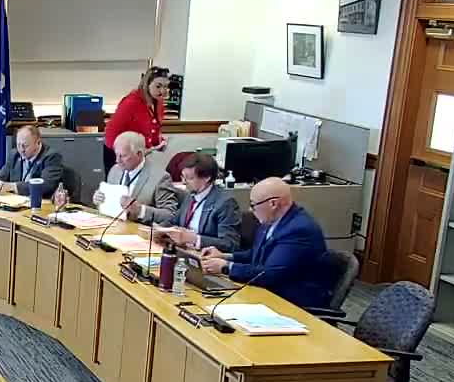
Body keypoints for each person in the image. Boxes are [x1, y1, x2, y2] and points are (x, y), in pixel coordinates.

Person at [200, 177, 331, 309]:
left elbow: (270, 274)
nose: (250, 210)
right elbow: (256, 254)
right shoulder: (271, 220)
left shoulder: (299, 230)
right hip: (267, 292)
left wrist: (226, 267)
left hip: (294, 303)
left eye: (253, 205)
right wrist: (224, 256)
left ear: (273, 204)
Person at [160, 153, 242, 252]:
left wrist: (195, 239)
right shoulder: (190, 196)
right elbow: (173, 221)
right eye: (183, 177)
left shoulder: (225, 203)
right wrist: (159, 229)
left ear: (207, 177)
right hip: (183, 251)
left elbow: (230, 243)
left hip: (206, 256)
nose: (184, 182)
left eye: (190, 178)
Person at [93, 131, 178, 224]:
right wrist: (100, 201)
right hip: (113, 226)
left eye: (123, 156)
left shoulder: (160, 178)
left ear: (139, 154)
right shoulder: (115, 170)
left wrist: (141, 211)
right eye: (116, 155)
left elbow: (170, 215)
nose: (117, 160)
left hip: (139, 229)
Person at [104, 66, 170, 172]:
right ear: (147, 85)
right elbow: (110, 135)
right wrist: (123, 155)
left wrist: (159, 142)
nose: (163, 91)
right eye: (158, 86)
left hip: (140, 155)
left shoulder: (158, 102)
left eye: (166, 86)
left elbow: (153, 128)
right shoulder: (131, 102)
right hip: (121, 155)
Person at [0, 125, 65, 199]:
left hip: (39, 202)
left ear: (38, 143)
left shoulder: (52, 156)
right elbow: (0, 178)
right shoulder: (14, 154)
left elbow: (46, 185)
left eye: (25, 146)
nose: (21, 150)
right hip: (15, 201)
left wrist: (13, 186)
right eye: (18, 145)